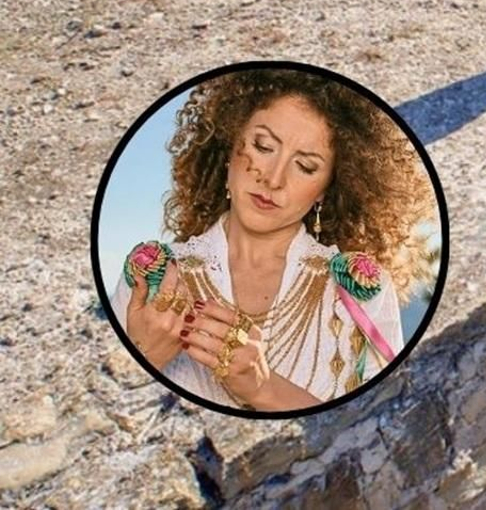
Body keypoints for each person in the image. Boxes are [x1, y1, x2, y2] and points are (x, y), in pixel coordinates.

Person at [110, 68, 434, 411]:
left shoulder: (359, 288)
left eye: (305, 166)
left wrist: (263, 389)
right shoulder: (151, 278)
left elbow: (380, 418)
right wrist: (145, 354)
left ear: (325, 189)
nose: (274, 179)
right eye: (263, 147)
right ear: (229, 148)